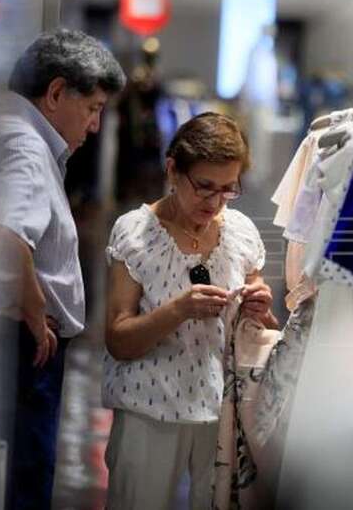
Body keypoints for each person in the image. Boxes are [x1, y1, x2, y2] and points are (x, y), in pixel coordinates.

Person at [103, 112, 277, 509]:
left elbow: (259, 327)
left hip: (221, 415)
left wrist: (260, 306)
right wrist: (178, 309)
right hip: (148, 410)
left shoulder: (241, 232)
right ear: (172, 171)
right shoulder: (135, 233)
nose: (214, 202)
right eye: (204, 187)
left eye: (227, 190)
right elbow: (119, 339)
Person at [0, 28, 125, 509]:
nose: (94, 126)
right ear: (55, 94)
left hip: (27, 339)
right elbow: (9, 234)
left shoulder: (23, 137)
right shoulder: (25, 145)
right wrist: (34, 310)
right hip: (29, 343)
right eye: (92, 109)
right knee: (29, 469)